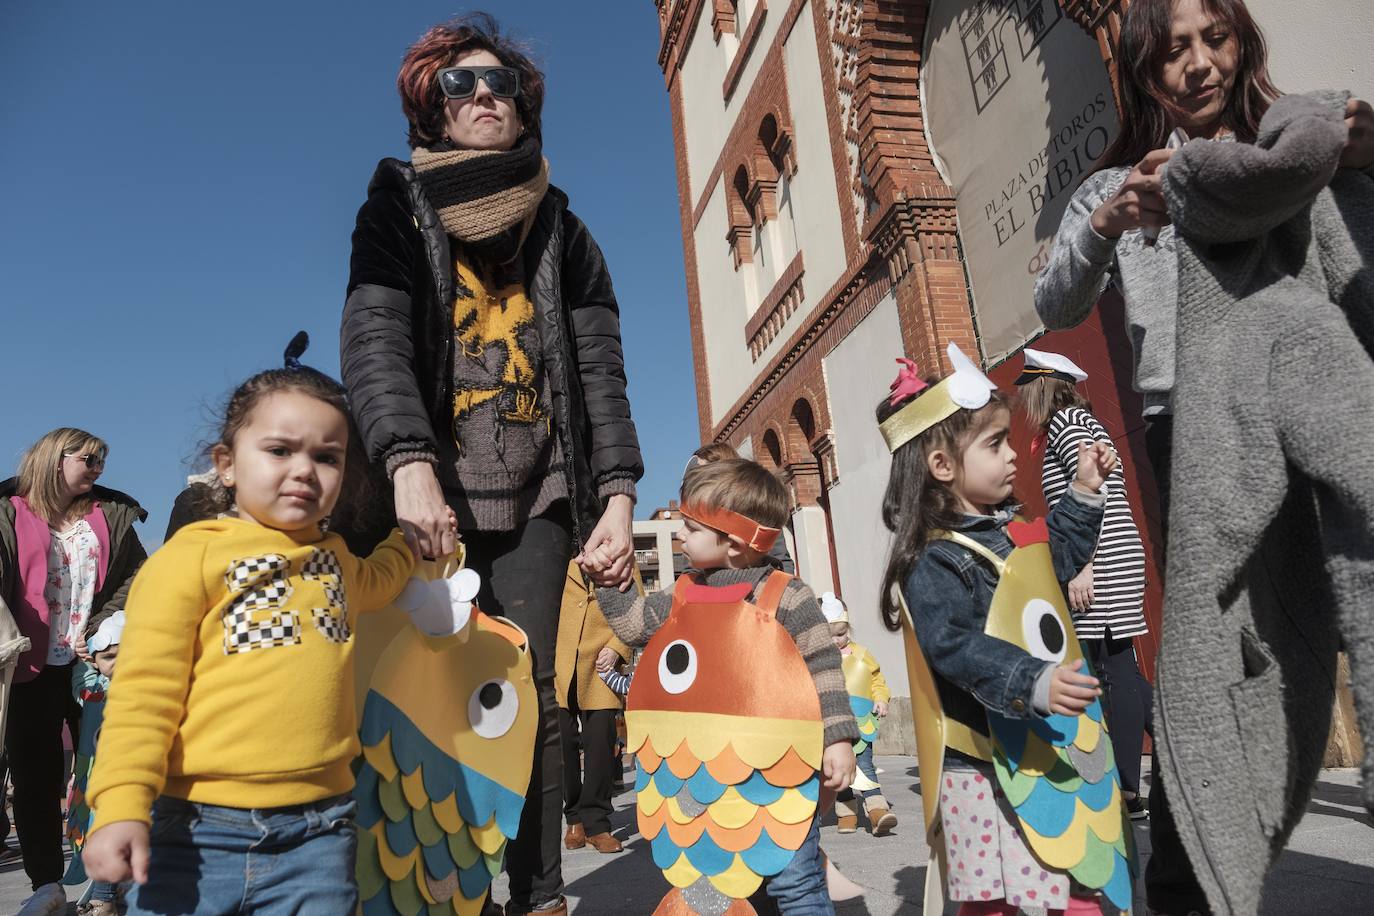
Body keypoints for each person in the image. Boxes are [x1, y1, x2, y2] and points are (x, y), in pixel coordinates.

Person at [1033, 3, 1373, 911]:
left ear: (1241, 43)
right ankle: (1186, 885)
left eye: (1213, 40)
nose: (1197, 66)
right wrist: (1108, 220)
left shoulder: (1299, 144)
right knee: (1213, 647)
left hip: (1318, 390)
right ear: (1144, 74)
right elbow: (1057, 302)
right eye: (1171, 52)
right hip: (1188, 425)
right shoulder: (1124, 186)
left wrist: (1368, 164)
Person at [340, 15, 643, 912]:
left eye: (499, 85)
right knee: (411, 685)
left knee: (532, 694)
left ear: (523, 109)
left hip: (538, 497)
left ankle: (539, 891)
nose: (481, 96)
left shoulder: (565, 228)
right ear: (429, 108)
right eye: (458, 85)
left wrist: (618, 496)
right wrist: (405, 460)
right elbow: (376, 337)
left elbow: (599, 370)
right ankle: (419, 887)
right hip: (425, 493)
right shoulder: (396, 201)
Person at [79, 349, 424, 915]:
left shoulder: (334, 560)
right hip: (193, 831)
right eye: (279, 450)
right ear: (227, 463)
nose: (305, 469)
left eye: (328, 456)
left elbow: (380, 582)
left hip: (321, 831)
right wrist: (119, 806)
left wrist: (407, 542)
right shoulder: (188, 560)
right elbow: (143, 698)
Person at [877, 350, 1121, 915]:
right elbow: (952, 646)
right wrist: (1030, 679)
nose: (1014, 455)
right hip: (981, 762)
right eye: (995, 444)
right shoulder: (935, 558)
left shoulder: (1012, 525)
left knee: (1071, 877)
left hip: (1040, 743)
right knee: (996, 901)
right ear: (941, 465)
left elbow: (1054, 563)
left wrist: (1084, 493)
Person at [598, 458, 858, 914]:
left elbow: (824, 668)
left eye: (692, 528)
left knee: (796, 883)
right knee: (716, 882)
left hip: (780, 778)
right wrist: (605, 577)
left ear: (735, 542)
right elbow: (631, 622)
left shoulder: (786, 595)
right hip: (708, 775)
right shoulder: (681, 595)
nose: (680, 534)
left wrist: (837, 739)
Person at [0, 428, 147, 916]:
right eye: (89, 458)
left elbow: (135, 577)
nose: (98, 467)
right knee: (35, 776)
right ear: (54, 457)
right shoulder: (8, 509)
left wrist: (106, 626)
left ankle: (108, 886)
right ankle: (47, 885)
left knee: (109, 770)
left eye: (103, 459)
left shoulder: (111, 515)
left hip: (93, 665)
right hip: (28, 666)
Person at [1017, 349, 1153, 819]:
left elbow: (1094, 487)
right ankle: (1189, 748)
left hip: (1101, 557)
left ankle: (1131, 792)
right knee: (1122, 668)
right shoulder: (1077, 421)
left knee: (1113, 668)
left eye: (1026, 391)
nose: (1022, 401)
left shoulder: (1066, 424)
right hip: (1112, 552)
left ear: (1042, 388)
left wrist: (1083, 565)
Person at [555, 561, 630, 854]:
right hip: (559, 661)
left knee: (600, 741)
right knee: (561, 741)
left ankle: (597, 823)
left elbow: (634, 608)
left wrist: (618, 648)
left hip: (601, 663)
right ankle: (574, 818)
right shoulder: (555, 551)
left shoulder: (620, 552)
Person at [62, 611, 127, 916]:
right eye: (110, 656)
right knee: (98, 835)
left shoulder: (147, 691)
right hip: (98, 778)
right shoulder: (96, 691)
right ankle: (106, 896)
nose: (119, 663)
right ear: (96, 660)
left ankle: (107, 896)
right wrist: (85, 661)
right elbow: (83, 679)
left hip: (131, 784)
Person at [821, 593, 897, 836]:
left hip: (860, 721)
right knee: (838, 769)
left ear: (848, 629)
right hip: (831, 723)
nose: (836, 640)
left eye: (841, 634)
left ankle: (877, 810)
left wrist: (880, 698)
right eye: (830, 635)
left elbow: (877, 680)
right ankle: (847, 813)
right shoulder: (817, 659)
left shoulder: (862, 654)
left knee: (864, 764)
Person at [686, 443, 795, 573]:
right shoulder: (695, 519)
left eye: (706, 475)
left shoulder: (758, 509)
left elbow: (781, 560)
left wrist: (780, 590)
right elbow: (689, 570)